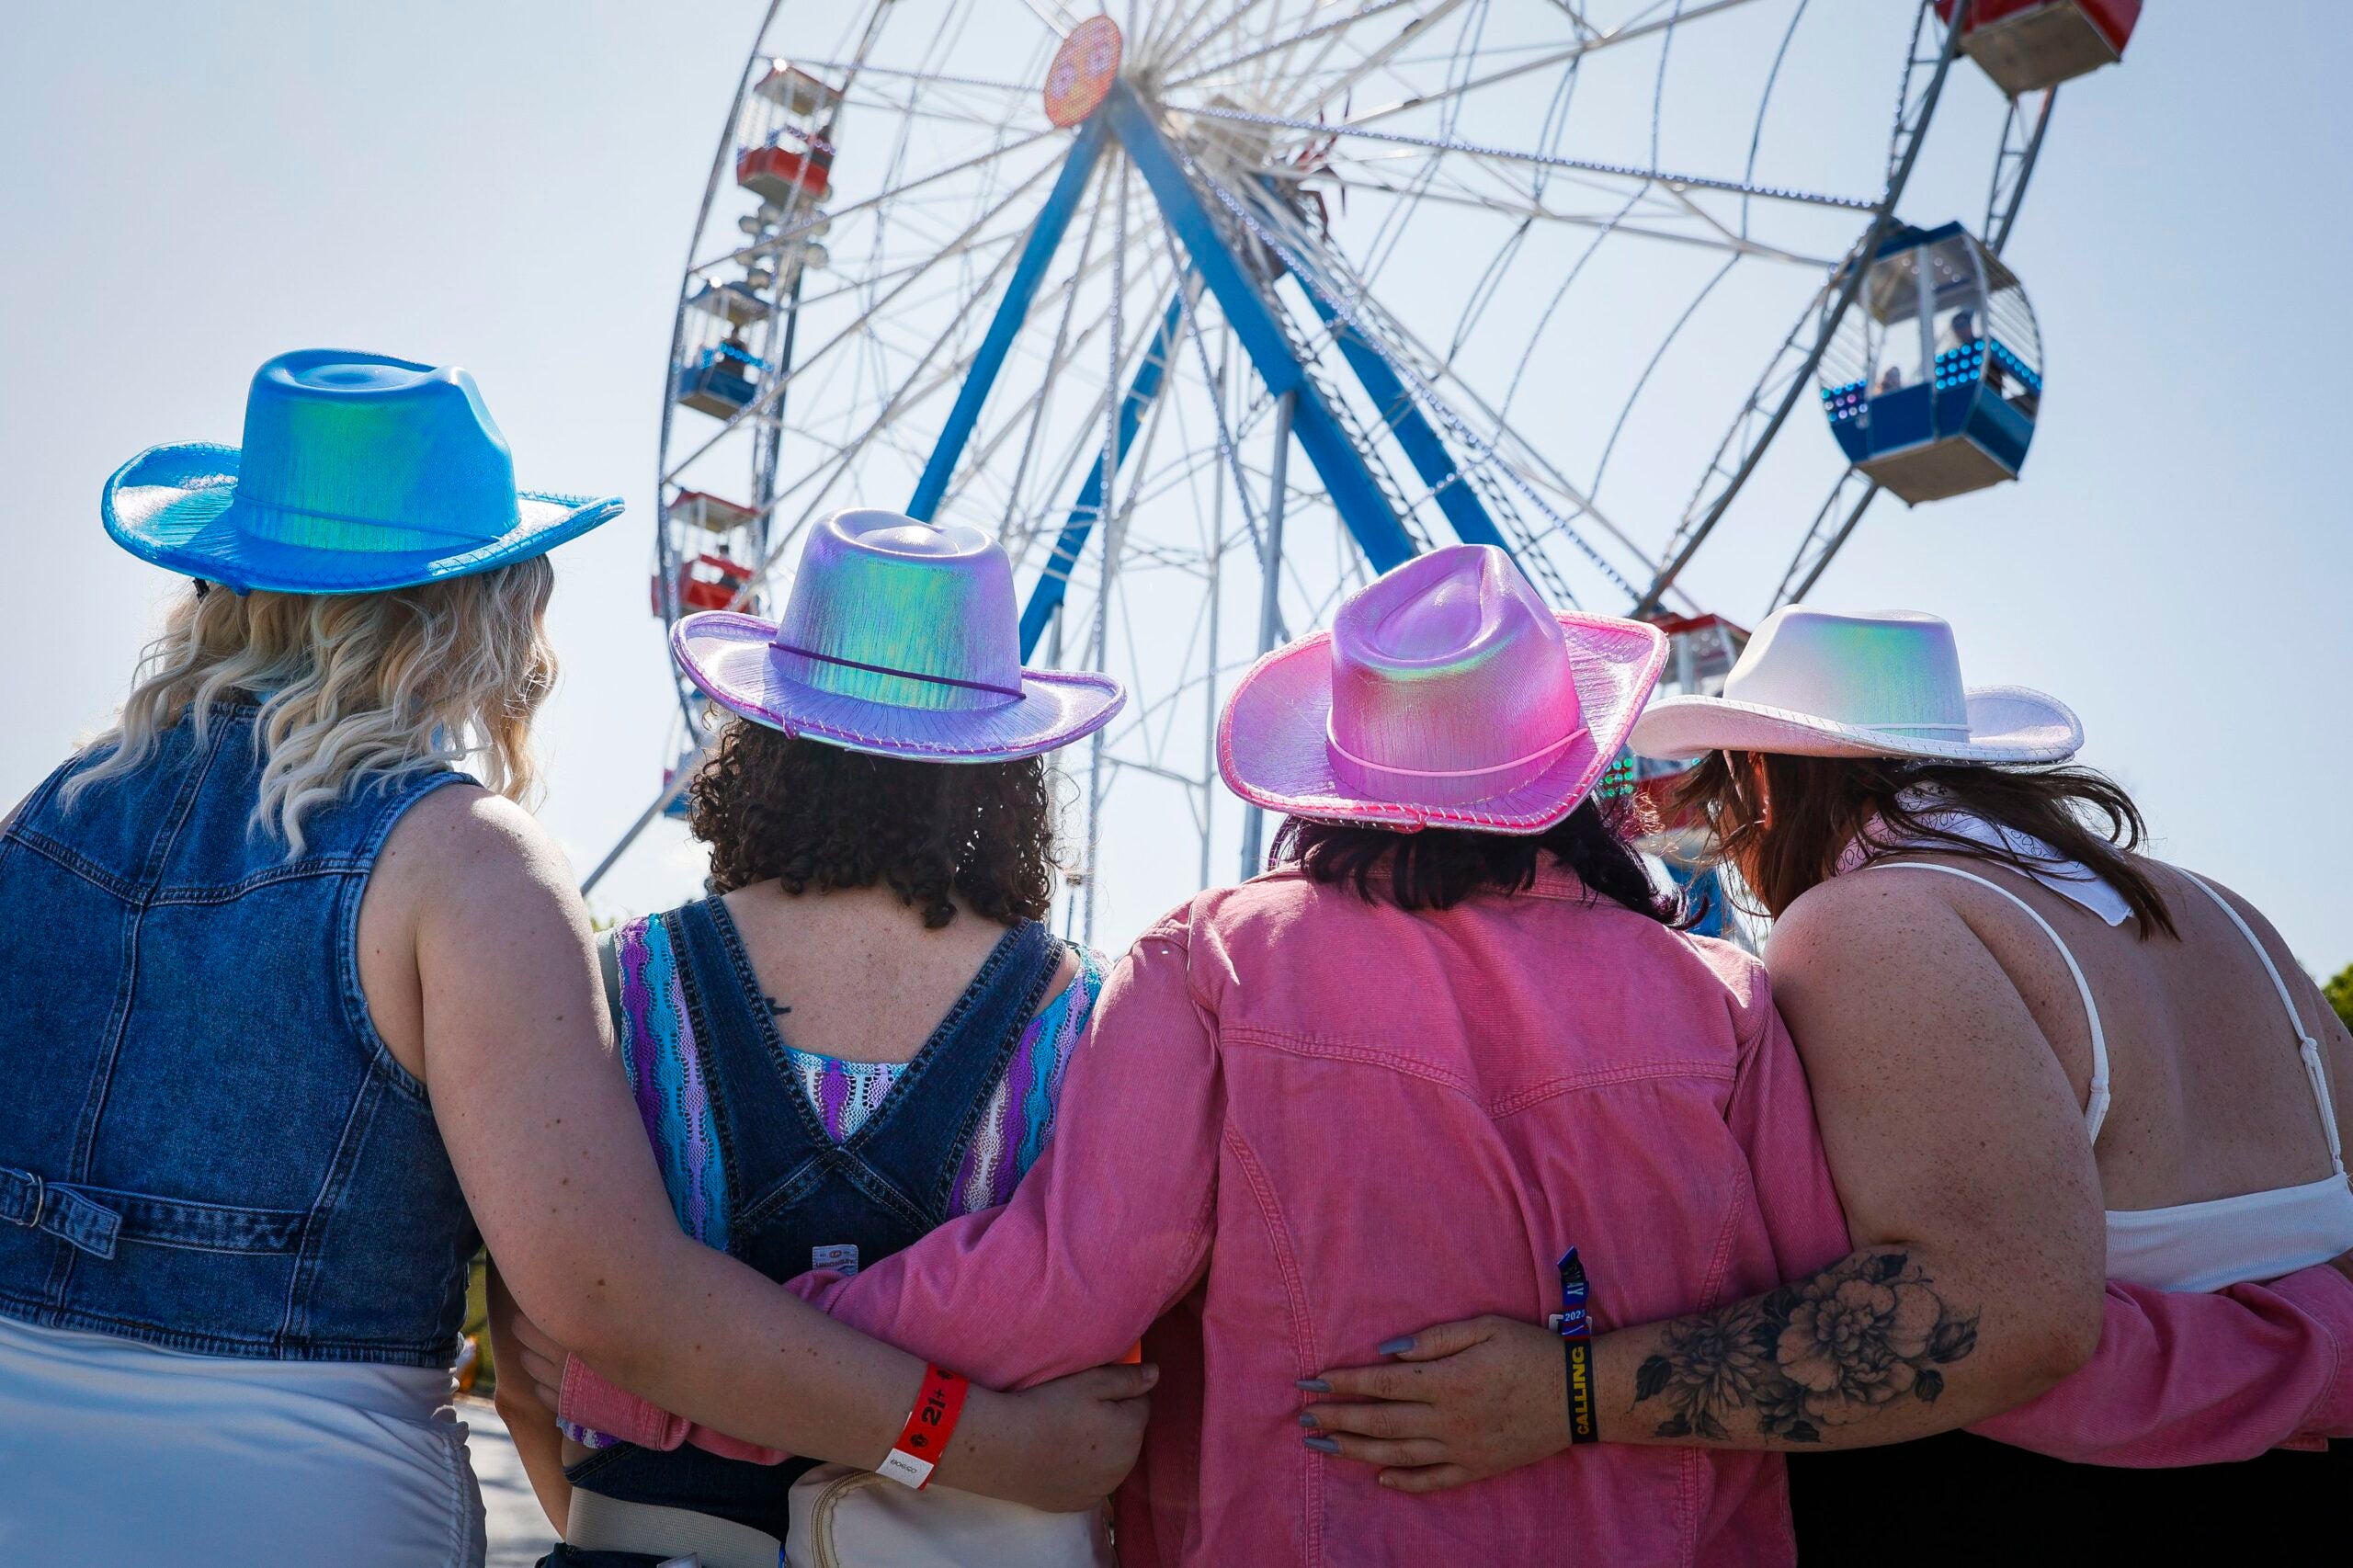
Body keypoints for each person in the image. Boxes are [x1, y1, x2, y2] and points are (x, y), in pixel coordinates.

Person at [0, 354, 1148, 1566]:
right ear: (470, 607)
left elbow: (550, 1365)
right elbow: (614, 1302)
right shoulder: (464, 865)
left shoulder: (39, 829)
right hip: (302, 1500)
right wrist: (973, 1442)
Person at [546, 544, 1860, 1563]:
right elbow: (1826, 1323)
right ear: (1568, 769)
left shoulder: (1220, 961)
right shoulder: (1727, 1005)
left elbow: (1068, 1283)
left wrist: (685, 1361)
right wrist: (1578, 1389)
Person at [1295, 607, 2353, 1553]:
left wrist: (1566, 1391)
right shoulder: (2223, 913)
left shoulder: (1875, 918)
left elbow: (2001, 1316)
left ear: (1762, 777)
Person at [490, 508, 1130, 1564]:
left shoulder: (622, 980)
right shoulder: (1082, 1016)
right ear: (1005, 761)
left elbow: (527, 1375)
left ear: (768, 735)